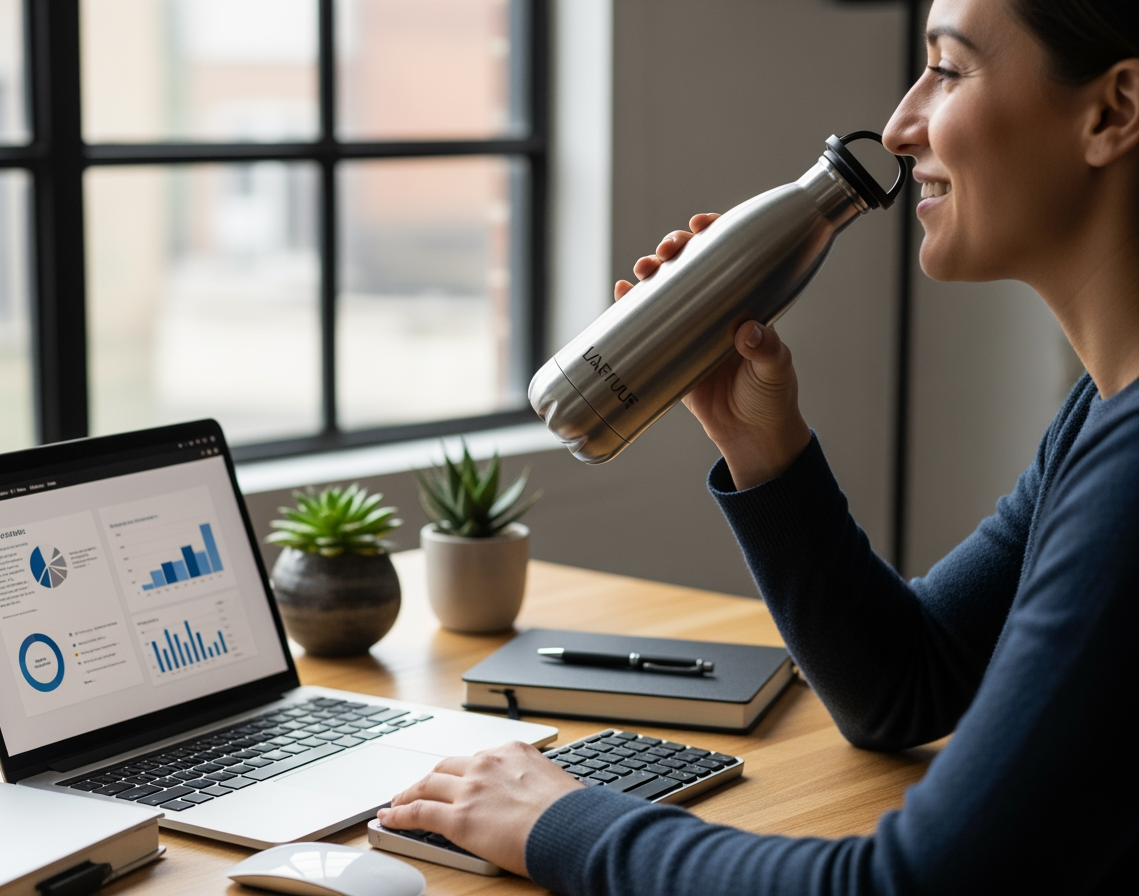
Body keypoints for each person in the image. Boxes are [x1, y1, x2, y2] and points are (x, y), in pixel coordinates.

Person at [377, 0, 1139, 891]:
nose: (898, 127)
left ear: (1113, 111)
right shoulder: (1101, 409)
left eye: (950, 68)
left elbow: (913, 885)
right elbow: (907, 685)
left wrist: (559, 820)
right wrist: (762, 444)